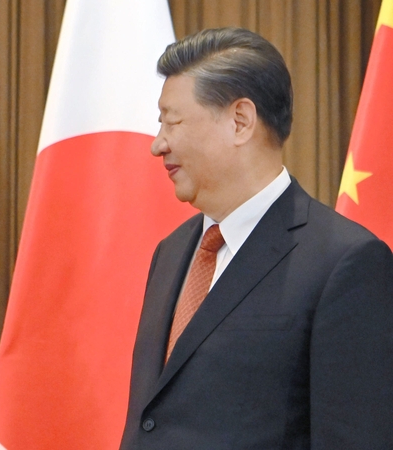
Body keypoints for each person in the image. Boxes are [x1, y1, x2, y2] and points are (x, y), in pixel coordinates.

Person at [120, 28, 393, 449]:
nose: (158, 145)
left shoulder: (344, 262)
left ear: (240, 121)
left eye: (172, 122)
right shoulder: (171, 252)